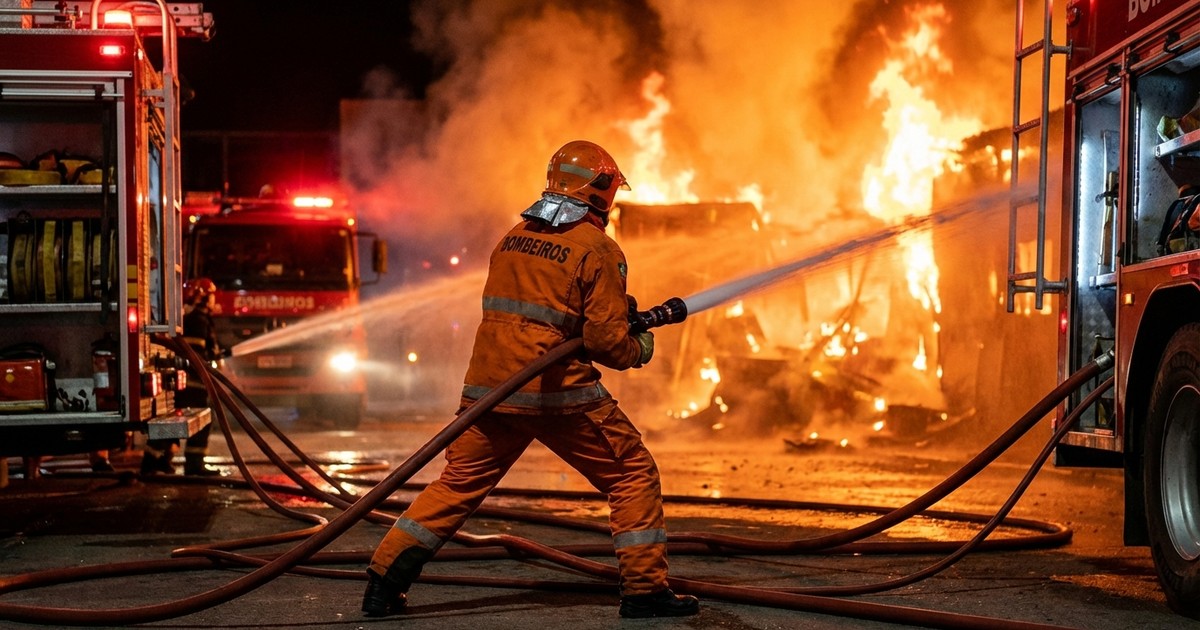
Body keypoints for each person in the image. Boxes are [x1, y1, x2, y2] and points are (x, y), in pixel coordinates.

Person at [362, 140, 700, 619]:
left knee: (456, 485)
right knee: (632, 474)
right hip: (556, 393)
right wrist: (639, 347)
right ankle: (645, 591)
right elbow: (606, 345)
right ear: (601, 191)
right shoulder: (599, 249)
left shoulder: (514, 236)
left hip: (489, 391)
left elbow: (541, 313)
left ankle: (382, 583)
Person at [141, 278, 221, 476]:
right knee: (200, 423)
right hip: (193, 386)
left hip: (190, 385)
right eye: (211, 296)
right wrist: (212, 360)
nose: (213, 301)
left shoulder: (195, 319)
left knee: (173, 427)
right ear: (203, 297)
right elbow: (196, 356)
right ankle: (193, 464)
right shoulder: (198, 321)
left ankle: (155, 461)